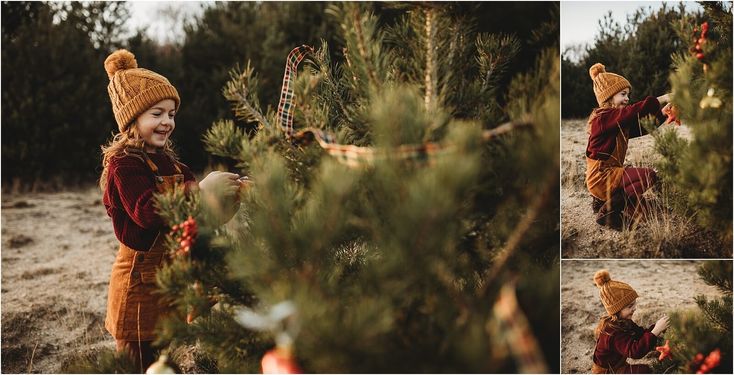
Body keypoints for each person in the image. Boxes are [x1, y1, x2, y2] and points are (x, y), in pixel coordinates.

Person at [99, 49, 241, 371]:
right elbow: (147, 213)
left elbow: (200, 217)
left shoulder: (175, 166)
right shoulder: (124, 166)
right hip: (137, 283)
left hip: (170, 279)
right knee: (138, 362)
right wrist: (201, 189)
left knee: (164, 360)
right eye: (157, 114)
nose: (167, 122)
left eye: (172, 114)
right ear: (132, 119)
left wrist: (231, 195)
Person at [585, 63, 672, 230]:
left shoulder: (614, 122)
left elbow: (641, 128)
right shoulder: (602, 118)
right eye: (623, 94)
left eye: (628, 95)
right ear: (608, 97)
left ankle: (604, 201)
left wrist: (662, 114)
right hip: (602, 177)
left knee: (644, 213)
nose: (627, 98)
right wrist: (663, 98)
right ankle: (608, 212)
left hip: (609, 175)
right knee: (649, 176)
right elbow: (632, 112)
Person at [592, 269, 670, 373]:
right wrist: (655, 331)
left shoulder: (624, 321)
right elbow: (635, 352)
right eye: (630, 306)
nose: (634, 308)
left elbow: (641, 334)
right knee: (644, 371)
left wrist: (657, 327)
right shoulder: (612, 331)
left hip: (619, 364)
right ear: (616, 310)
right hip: (607, 371)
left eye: (634, 304)